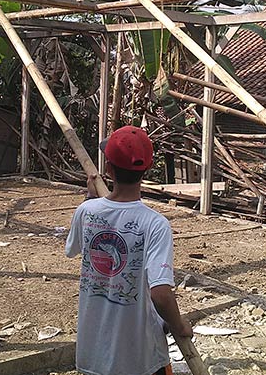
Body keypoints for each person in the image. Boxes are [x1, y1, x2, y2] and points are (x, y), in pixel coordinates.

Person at [65, 125, 192, 375]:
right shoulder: (155, 224)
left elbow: (73, 249)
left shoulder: (86, 211)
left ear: (109, 168)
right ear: (147, 168)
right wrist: (180, 326)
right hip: (140, 358)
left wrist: (90, 200)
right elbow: (160, 294)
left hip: (94, 354)